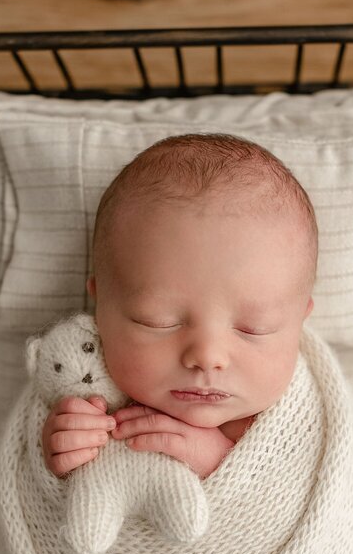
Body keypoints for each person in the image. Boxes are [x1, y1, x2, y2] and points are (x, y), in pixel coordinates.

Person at [42, 133, 318, 481]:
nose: (207, 356)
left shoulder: (304, 422)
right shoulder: (81, 385)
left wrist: (222, 466)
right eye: (158, 321)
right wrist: (57, 449)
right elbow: (34, 491)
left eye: (254, 327)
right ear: (100, 309)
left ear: (299, 320)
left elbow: (325, 501)